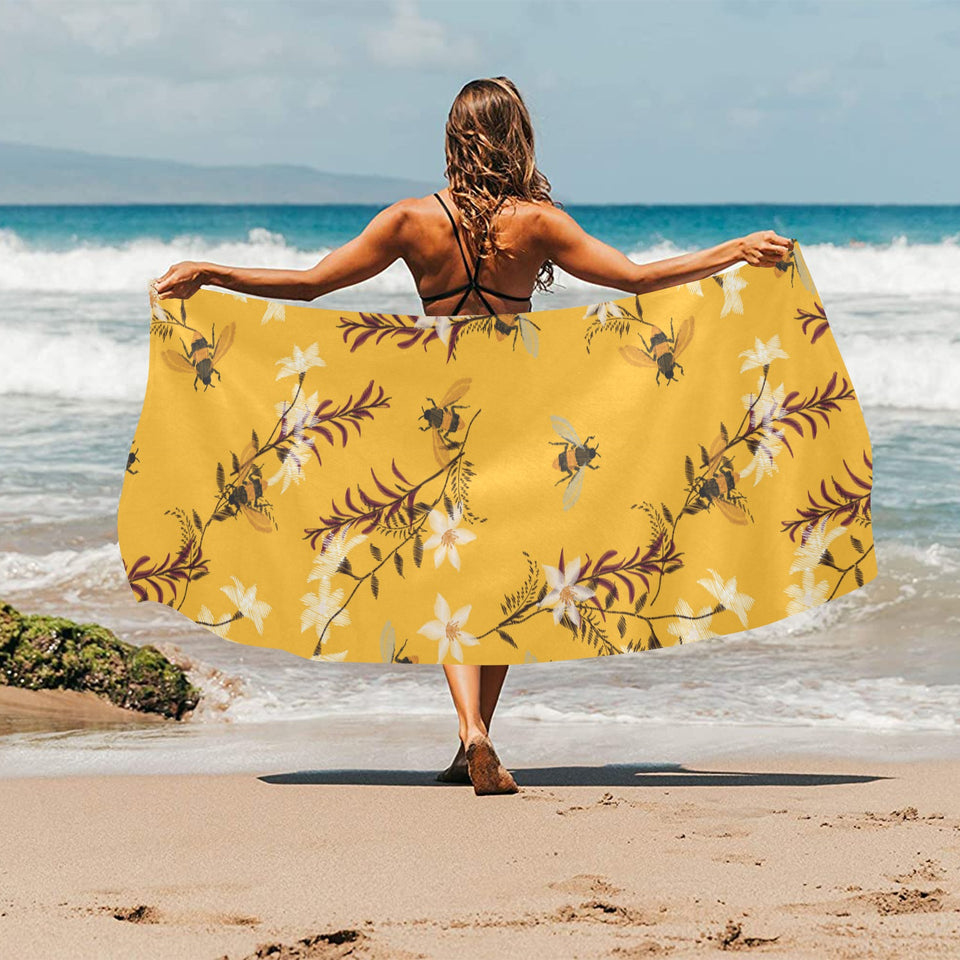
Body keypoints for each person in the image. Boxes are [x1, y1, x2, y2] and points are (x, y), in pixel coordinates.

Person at [153, 76, 794, 796]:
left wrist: (213, 272)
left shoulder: (408, 220)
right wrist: (734, 249)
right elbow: (638, 281)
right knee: (502, 567)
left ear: (455, 137)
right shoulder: (538, 222)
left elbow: (310, 285)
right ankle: (476, 734)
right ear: (518, 137)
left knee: (453, 574)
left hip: (438, 410)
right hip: (518, 411)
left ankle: (472, 735)